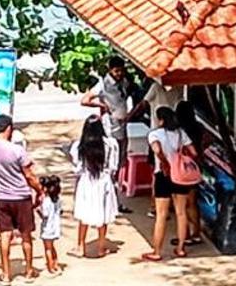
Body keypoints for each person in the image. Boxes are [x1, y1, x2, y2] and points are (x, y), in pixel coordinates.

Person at [0, 114, 44, 285]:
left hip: (2, 197)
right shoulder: (18, 150)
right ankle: (29, 271)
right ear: (9, 128)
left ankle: (6, 274)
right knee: (26, 236)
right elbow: (29, 175)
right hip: (21, 197)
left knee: (5, 235)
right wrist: (40, 190)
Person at [80, 56, 142, 213]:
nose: (119, 73)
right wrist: (102, 105)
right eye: (116, 71)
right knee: (110, 166)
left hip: (122, 128)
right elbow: (85, 100)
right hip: (110, 131)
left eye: (121, 70)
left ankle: (115, 200)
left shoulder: (124, 82)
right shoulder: (103, 84)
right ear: (110, 70)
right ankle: (109, 201)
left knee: (120, 166)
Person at [143, 106, 193, 262]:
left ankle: (157, 251)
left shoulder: (154, 134)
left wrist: (164, 161)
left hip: (163, 175)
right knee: (181, 212)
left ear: (161, 120)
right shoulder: (180, 133)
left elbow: (157, 150)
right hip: (180, 175)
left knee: (161, 215)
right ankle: (181, 248)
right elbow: (194, 152)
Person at [71, 116, 119, 258]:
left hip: (86, 181)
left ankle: (80, 246)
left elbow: (78, 167)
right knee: (103, 213)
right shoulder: (110, 144)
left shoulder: (79, 145)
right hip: (103, 181)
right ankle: (101, 247)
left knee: (83, 214)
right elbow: (112, 167)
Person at [174, 100, 208, 248]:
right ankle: (197, 233)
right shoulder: (198, 128)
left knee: (181, 206)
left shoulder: (177, 131)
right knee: (193, 203)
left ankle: (185, 235)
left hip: (180, 170)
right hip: (195, 167)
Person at [37, 175, 64, 275]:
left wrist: (38, 210)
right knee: (52, 247)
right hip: (55, 226)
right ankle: (55, 264)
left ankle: (51, 267)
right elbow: (60, 211)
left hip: (47, 227)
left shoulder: (46, 201)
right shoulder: (58, 200)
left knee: (47, 249)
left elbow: (45, 215)